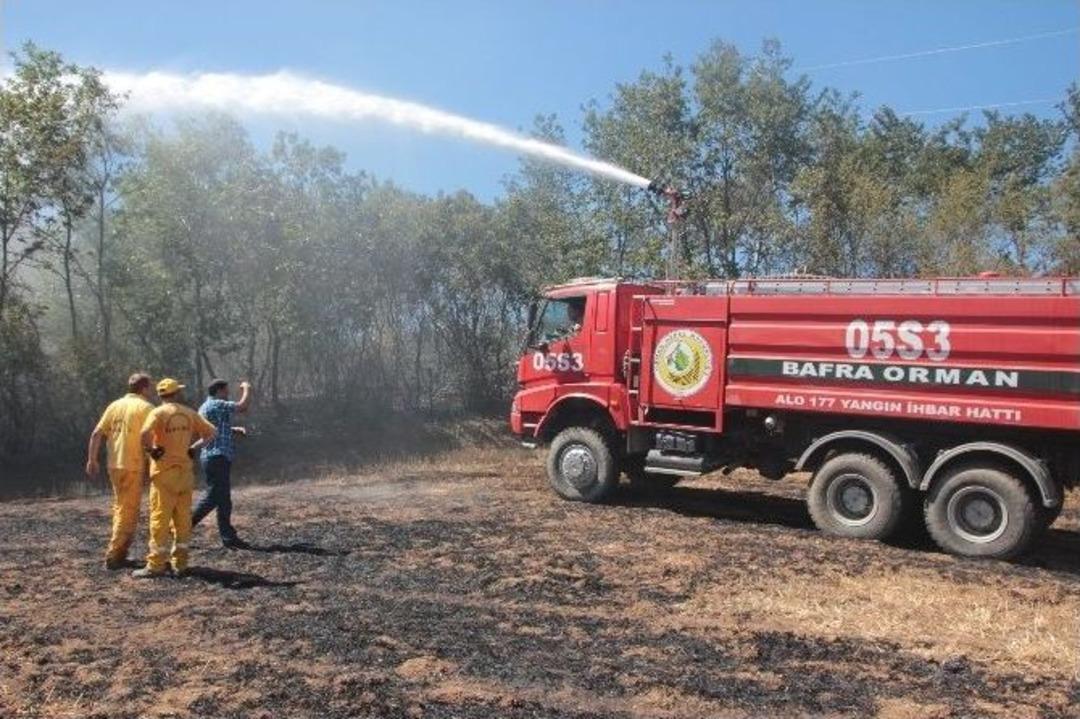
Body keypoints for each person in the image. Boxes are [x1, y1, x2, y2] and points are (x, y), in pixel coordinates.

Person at [132, 378, 216, 579]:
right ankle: (181, 564)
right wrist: (193, 448)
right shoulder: (189, 413)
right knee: (183, 519)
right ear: (176, 393)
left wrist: (152, 450)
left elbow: (144, 433)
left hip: (163, 474)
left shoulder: (158, 413)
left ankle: (156, 565)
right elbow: (212, 432)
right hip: (185, 474)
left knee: (160, 519)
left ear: (161, 396)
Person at [85, 373, 156, 569]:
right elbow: (152, 438)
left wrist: (92, 459)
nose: (151, 391)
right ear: (143, 388)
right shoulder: (146, 408)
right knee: (128, 510)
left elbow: (96, 434)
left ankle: (119, 552)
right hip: (132, 464)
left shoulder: (114, 406)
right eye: (150, 387)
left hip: (114, 464)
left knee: (120, 506)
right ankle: (114, 555)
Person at [191, 378, 251, 548]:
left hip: (214, 457)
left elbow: (214, 429)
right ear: (218, 391)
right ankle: (183, 528)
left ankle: (228, 537)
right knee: (213, 497)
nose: (227, 394)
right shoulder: (216, 404)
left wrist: (233, 430)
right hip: (216, 456)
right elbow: (242, 406)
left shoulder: (206, 406)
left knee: (224, 499)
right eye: (226, 391)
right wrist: (246, 388)